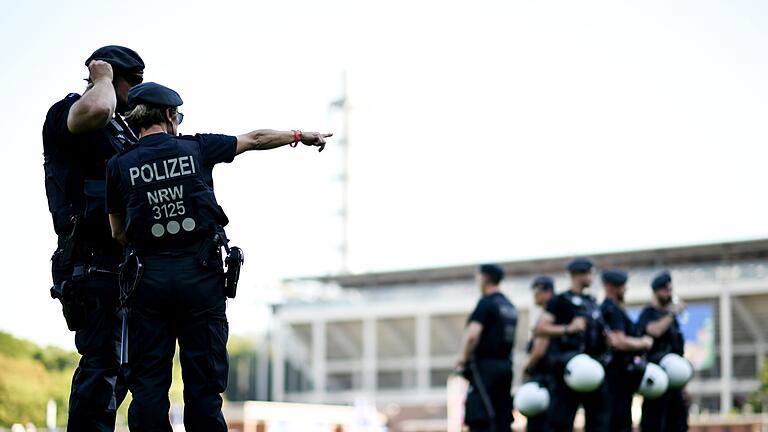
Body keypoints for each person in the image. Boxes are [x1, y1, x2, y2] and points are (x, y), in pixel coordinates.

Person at [105, 82, 331, 431]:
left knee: (148, 386)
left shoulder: (119, 166)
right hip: (200, 277)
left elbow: (118, 232)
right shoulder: (198, 148)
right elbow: (255, 139)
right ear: (168, 115)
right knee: (204, 387)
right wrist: (301, 135)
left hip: (148, 283)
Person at [42, 45, 145, 431]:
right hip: (90, 261)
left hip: (124, 266)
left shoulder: (122, 131)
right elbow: (98, 109)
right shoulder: (72, 111)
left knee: (125, 368)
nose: (135, 91)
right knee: (102, 367)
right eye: (130, 82)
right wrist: (100, 78)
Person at [535, 258, 609, 432]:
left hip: (593, 366)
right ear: (577, 274)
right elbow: (540, 328)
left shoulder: (592, 302)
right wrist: (569, 328)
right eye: (588, 273)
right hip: (567, 368)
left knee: (599, 420)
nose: (591, 277)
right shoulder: (559, 301)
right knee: (561, 421)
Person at [456, 264, 517, 432]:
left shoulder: (486, 303)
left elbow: (472, 334)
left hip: (485, 368)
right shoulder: (509, 305)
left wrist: (462, 359)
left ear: (485, 277)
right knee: (502, 416)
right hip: (505, 367)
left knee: (480, 415)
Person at [599, 269, 654, 432]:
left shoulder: (614, 308)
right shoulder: (612, 309)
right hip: (616, 376)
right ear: (610, 287)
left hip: (619, 378)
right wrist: (643, 342)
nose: (625, 290)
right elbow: (619, 341)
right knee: (618, 423)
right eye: (621, 286)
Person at [637, 271, 689, 432]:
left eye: (670, 290)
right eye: (666, 290)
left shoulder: (671, 319)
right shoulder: (649, 313)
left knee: (678, 423)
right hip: (656, 380)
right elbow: (654, 331)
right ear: (657, 291)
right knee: (654, 423)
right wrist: (672, 313)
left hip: (674, 384)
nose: (669, 294)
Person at [522, 276, 555, 432]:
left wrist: (526, 367)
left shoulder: (549, 314)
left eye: (536, 291)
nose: (534, 296)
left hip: (542, 379)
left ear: (547, 292)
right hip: (549, 379)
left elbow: (539, 350)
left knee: (538, 424)